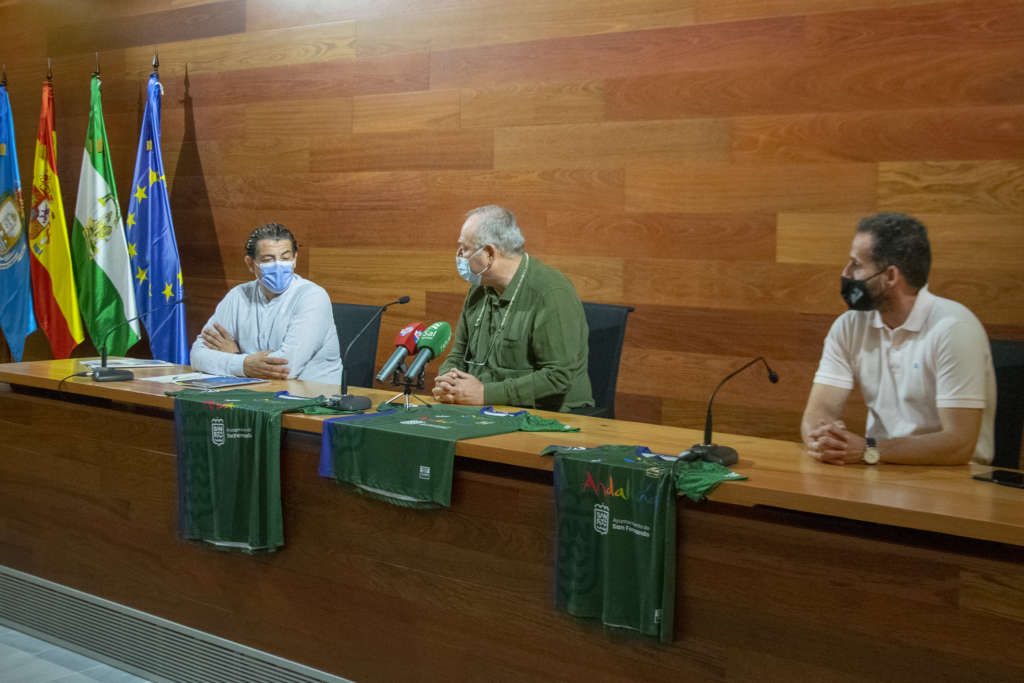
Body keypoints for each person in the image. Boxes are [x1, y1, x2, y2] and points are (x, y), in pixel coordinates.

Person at [801, 212, 995, 465]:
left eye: (856, 265)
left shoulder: (954, 328)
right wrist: (824, 440)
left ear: (890, 276)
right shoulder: (850, 325)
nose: (846, 273)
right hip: (878, 468)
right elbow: (818, 412)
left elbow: (959, 444)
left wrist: (869, 449)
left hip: (954, 478)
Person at [432, 205, 593, 412]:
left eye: (465, 248)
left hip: (549, 414)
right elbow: (458, 356)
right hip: (482, 410)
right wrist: (447, 382)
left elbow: (558, 376)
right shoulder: (479, 290)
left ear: (489, 253)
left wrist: (485, 394)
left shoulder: (552, 292)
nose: (460, 256)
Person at [190, 223, 342, 384]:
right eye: (268, 260)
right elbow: (197, 355)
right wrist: (244, 363)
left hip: (311, 396)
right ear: (250, 263)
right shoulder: (238, 296)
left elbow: (286, 368)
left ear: (295, 259)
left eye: (285, 258)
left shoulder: (312, 297)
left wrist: (236, 358)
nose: (278, 265)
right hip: (255, 392)